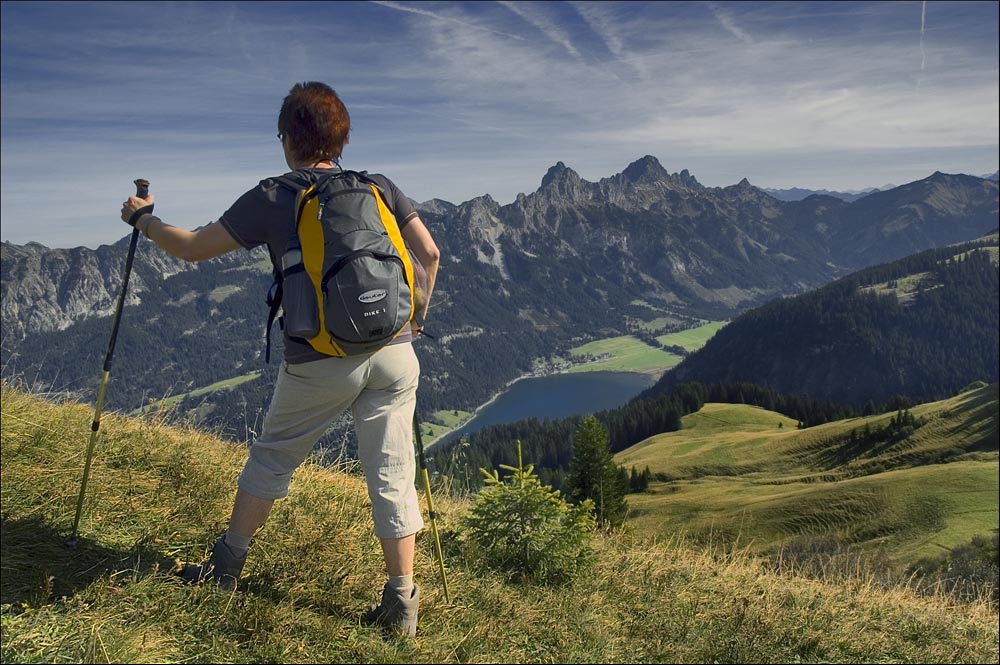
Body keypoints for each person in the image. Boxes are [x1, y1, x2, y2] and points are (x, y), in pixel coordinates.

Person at [120, 81, 440, 638]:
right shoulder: (378, 185)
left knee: (273, 457)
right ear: (341, 139)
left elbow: (193, 247)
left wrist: (142, 220)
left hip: (318, 358)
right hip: (395, 352)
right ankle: (401, 601)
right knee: (392, 473)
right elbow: (429, 254)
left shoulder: (277, 194)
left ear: (290, 138)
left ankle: (225, 569)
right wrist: (415, 319)